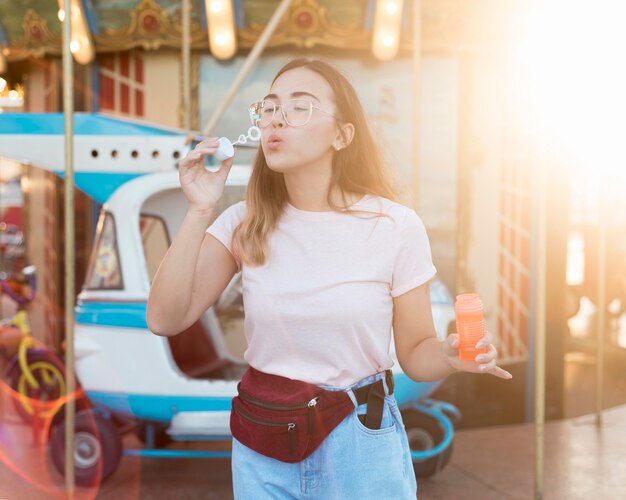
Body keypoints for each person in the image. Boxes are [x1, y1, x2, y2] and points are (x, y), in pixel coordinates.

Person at [146, 58, 512, 499]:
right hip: (264, 439)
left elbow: (415, 353)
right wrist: (200, 208)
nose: (277, 118)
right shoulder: (244, 222)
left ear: (342, 134)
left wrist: (452, 356)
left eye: (301, 107)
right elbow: (165, 318)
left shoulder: (394, 226)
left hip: (358, 441)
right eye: (270, 107)